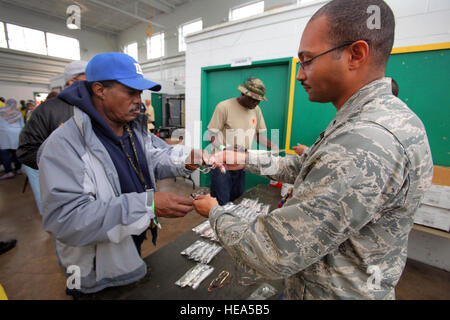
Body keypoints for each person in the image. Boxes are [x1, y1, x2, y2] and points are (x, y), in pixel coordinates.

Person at [193, 0, 433, 299]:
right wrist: (244, 158)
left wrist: (214, 213)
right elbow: (305, 165)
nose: (299, 74)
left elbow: (273, 250)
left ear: (355, 54)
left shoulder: (365, 141)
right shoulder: (375, 119)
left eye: (307, 60)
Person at [37, 52, 203, 296]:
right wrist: (147, 205)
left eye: (140, 93)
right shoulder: (64, 146)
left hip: (127, 235)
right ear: (100, 89)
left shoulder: (131, 129)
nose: (139, 101)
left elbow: (153, 160)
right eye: (131, 92)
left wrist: (187, 162)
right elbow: (67, 219)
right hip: (92, 266)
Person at [17, 60, 88, 213]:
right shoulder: (47, 110)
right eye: (89, 77)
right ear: (72, 81)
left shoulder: (95, 107)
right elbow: (26, 150)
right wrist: (60, 165)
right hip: (65, 189)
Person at [207, 77, 275, 205]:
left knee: (237, 198)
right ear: (243, 93)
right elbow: (211, 135)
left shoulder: (256, 110)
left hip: (241, 163)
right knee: (221, 201)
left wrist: (273, 146)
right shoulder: (224, 107)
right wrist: (224, 149)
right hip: (222, 164)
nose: (255, 103)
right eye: (252, 99)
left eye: (258, 101)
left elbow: (259, 135)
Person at [0, 99, 24, 180]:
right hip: (16, 133)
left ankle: (8, 172)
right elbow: (22, 125)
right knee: (17, 152)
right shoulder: (18, 113)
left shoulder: (1, 112)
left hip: (4, 134)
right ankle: (18, 169)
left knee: (5, 154)